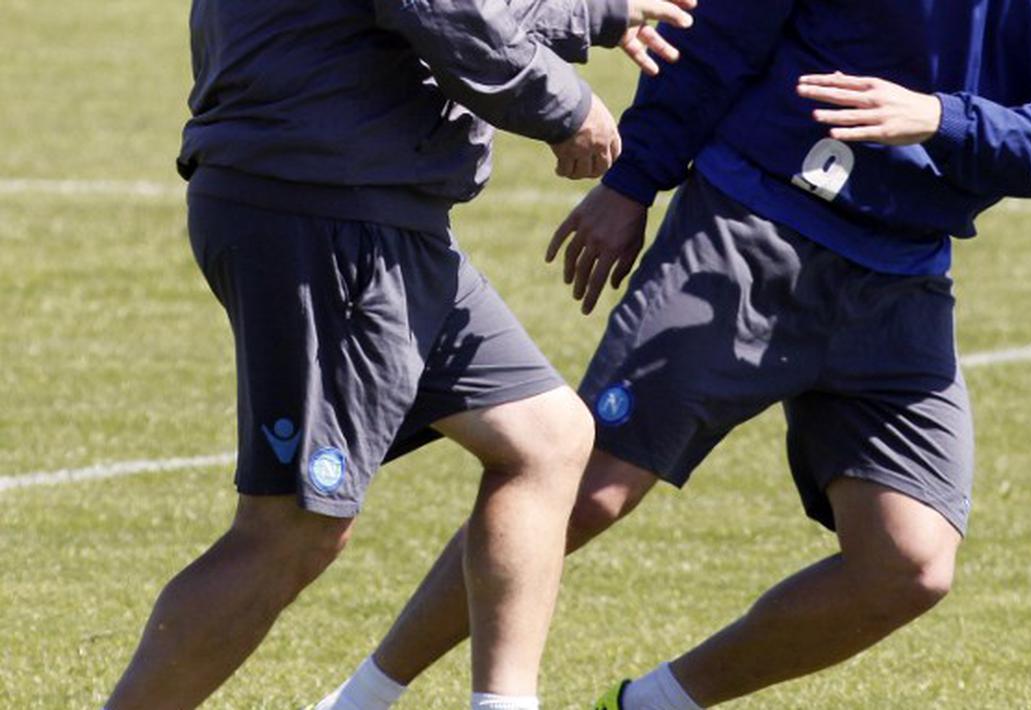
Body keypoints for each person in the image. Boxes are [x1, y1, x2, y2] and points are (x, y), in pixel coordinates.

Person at [317, 0, 1031, 708]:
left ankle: (647, 705)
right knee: (585, 489)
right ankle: (363, 698)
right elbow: (723, 27)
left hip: (902, 275)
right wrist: (631, 180)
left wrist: (939, 116)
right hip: (748, 226)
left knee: (907, 566)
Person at [102, 1, 696, 709]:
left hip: (364, 203)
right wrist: (565, 106)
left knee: (545, 437)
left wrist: (599, 12)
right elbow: (440, 7)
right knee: (292, 529)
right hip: (327, 207)